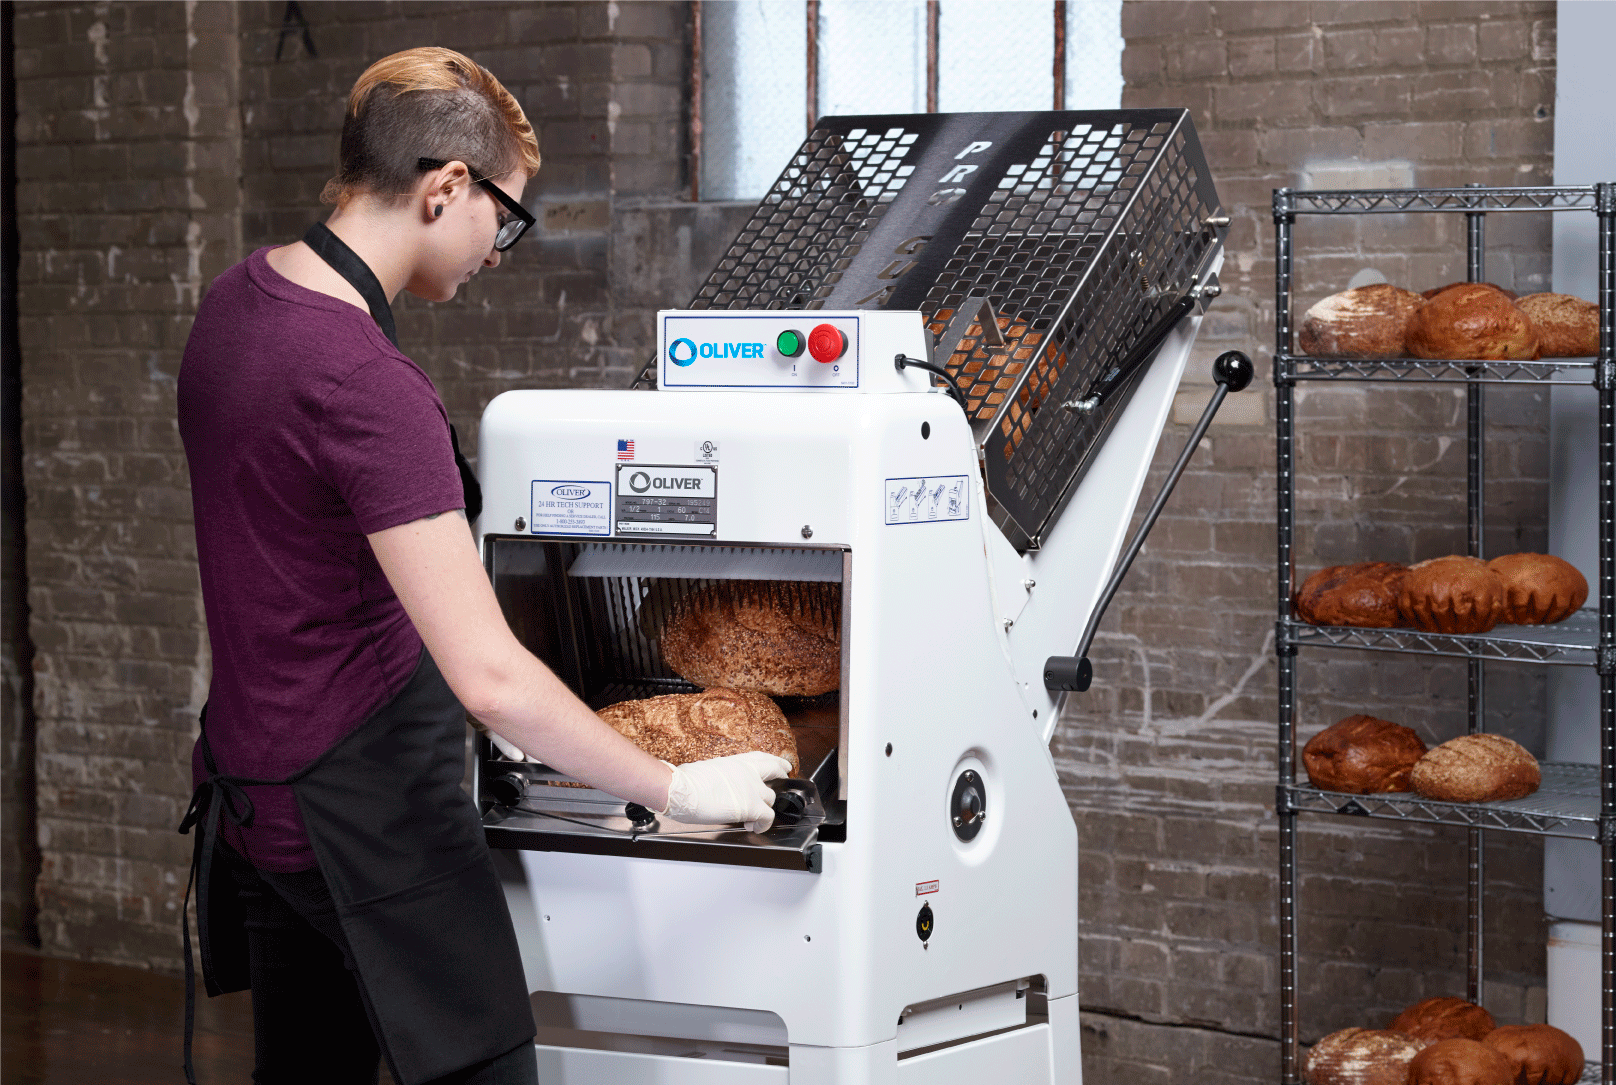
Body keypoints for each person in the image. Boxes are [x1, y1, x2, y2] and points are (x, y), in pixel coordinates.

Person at [175, 47, 789, 1085]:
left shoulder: (234, 308)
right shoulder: (365, 383)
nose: (497, 252)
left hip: (253, 802)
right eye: (503, 218)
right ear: (446, 185)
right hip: (369, 821)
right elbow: (490, 678)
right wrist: (673, 785)